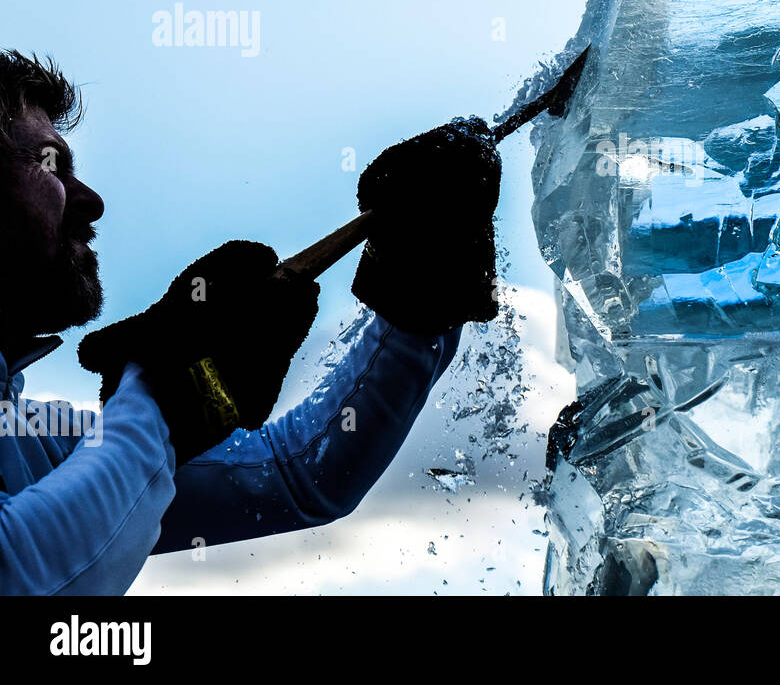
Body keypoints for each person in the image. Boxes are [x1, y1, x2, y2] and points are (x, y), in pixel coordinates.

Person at [0, 50, 500, 594]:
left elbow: (297, 475)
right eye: (50, 164)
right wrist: (163, 398)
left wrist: (418, 305)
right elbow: (21, 572)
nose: (91, 201)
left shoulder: (30, 440)